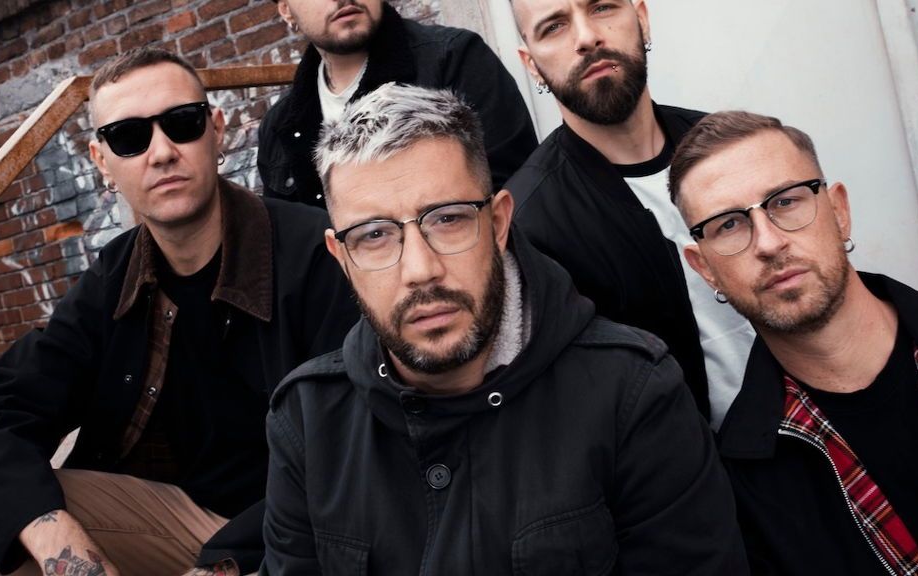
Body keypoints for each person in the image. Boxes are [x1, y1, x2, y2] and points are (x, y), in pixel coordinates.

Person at [260, 83, 746, 574]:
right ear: (342, 257)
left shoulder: (634, 395)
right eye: (375, 235)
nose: (420, 270)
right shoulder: (306, 421)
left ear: (497, 223)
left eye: (447, 219)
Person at [0, 48, 359, 576]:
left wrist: (223, 565)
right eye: (129, 136)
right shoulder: (116, 276)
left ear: (216, 130)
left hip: (295, 529)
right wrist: (66, 551)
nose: (161, 153)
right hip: (173, 522)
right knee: (3, 513)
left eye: (182, 123)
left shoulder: (314, 253)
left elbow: (351, 452)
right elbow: (2, 415)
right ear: (101, 161)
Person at [669, 110, 918, 575]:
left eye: (785, 201)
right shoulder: (742, 492)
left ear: (839, 212)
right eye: (729, 224)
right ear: (705, 269)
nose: (768, 243)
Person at [505, 0, 755, 428]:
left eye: (603, 7)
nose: (587, 38)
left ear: (641, 18)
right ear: (532, 66)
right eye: (554, 27)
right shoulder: (530, 226)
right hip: (690, 462)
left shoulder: (735, 150)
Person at [259, 0, 537, 208]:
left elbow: (517, 194)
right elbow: (290, 243)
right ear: (286, 10)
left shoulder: (454, 60)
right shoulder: (279, 126)